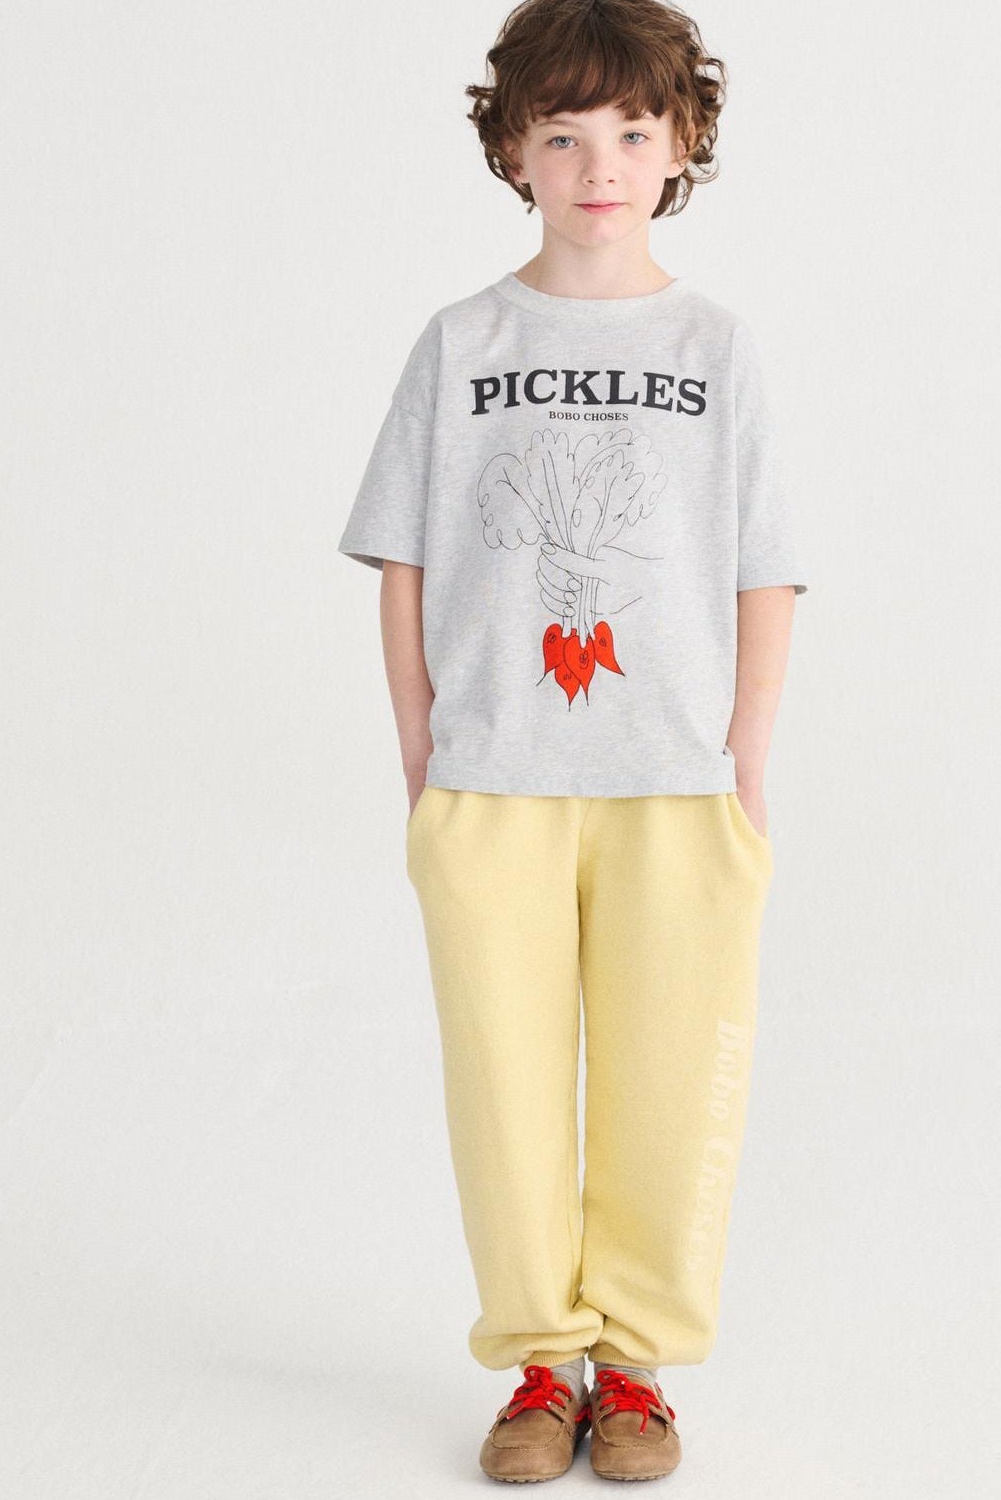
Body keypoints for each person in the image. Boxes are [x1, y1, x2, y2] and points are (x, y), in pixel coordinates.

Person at [337, 0, 809, 1481]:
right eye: (562, 134)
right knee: (506, 1081)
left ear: (681, 147)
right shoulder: (462, 343)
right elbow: (405, 559)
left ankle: (638, 1368)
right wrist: (422, 757)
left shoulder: (717, 349)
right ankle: (543, 1364)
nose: (599, 165)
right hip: (494, 781)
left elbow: (765, 567)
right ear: (513, 153)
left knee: (671, 1074)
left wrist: (745, 766)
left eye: (632, 131)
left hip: (675, 782)